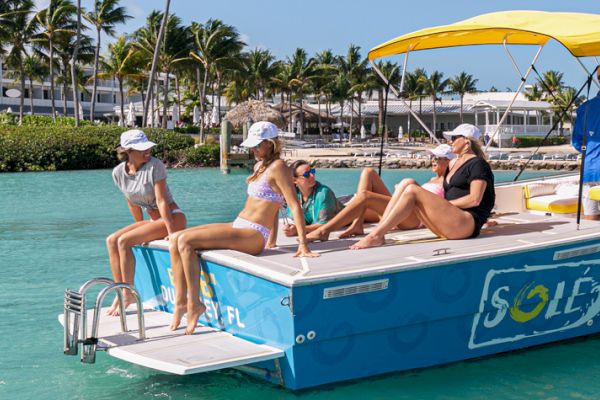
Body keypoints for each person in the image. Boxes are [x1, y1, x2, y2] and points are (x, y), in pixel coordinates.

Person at [168, 121, 319, 335]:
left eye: (257, 145)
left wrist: (303, 244)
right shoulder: (260, 166)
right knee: (176, 238)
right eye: (252, 145)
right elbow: (272, 206)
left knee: (185, 241)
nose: (253, 149)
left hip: (253, 235)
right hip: (239, 225)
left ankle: (195, 305)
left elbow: (292, 205)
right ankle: (180, 302)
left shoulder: (279, 167)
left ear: (270, 144)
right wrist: (273, 240)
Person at [351, 123, 495, 250]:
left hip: (466, 222)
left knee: (413, 191)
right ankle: (380, 230)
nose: (450, 141)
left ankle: (376, 235)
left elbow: (474, 200)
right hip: (450, 220)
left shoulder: (478, 164)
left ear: (467, 141)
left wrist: (445, 205)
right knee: (408, 185)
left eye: (454, 138)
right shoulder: (452, 164)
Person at [106, 129, 187, 315]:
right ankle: (120, 292)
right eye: (141, 149)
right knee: (111, 240)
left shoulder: (155, 166)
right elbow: (131, 201)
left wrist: (172, 232)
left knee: (124, 241)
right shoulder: (118, 173)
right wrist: (139, 226)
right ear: (128, 150)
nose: (147, 151)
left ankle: (128, 294)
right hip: (152, 218)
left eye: (147, 147)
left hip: (172, 216)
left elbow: (161, 201)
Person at [307, 144, 455, 242]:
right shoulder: (432, 179)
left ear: (449, 162)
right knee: (368, 172)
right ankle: (357, 224)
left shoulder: (448, 181)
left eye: (437, 158)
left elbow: (447, 206)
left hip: (415, 218)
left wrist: (408, 188)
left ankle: (324, 230)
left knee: (367, 196)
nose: (433, 161)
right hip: (403, 208)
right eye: (432, 157)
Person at [281, 160, 344, 237]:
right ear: (294, 180)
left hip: (350, 218)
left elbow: (326, 225)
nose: (312, 175)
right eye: (307, 174)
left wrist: (299, 229)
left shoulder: (323, 193)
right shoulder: (293, 195)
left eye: (312, 171)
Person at [572, 68, 600, 220]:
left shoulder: (585, 108)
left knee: (591, 217)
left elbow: (577, 142)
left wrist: (589, 150)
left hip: (589, 169)